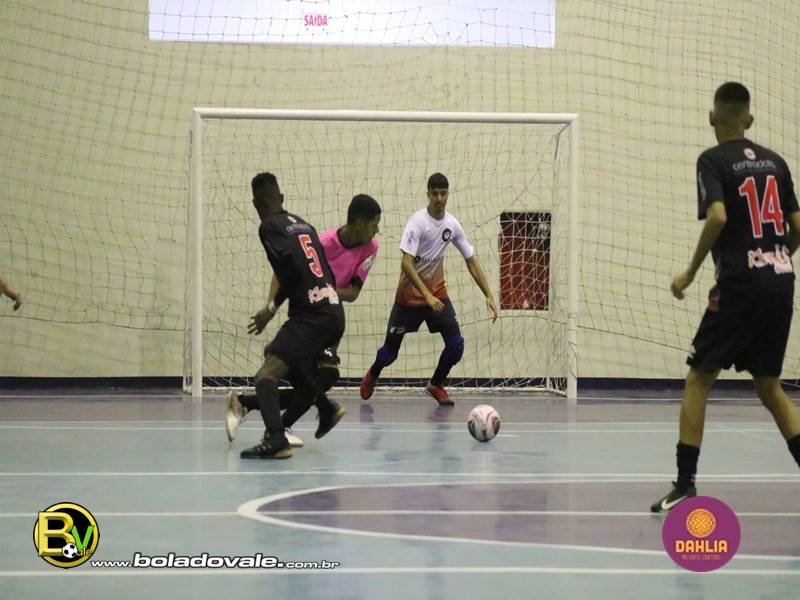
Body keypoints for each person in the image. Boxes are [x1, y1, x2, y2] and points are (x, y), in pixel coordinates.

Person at [651, 82, 800, 512]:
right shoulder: (776, 162)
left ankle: (684, 484)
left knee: (698, 378)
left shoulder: (712, 160)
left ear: (712, 117)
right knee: (769, 387)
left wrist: (690, 273)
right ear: (750, 119)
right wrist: (776, 259)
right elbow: (798, 227)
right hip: (781, 282)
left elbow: (717, 216)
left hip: (739, 285)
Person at [226, 194, 381, 446]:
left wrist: (326, 290)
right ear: (360, 223)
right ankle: (280, 424)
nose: (377, 231)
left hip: (328, 316)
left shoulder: (370, 247)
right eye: (375, 225)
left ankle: (254, 408)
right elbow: (283, 272)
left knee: (323, 376)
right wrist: (270, 307)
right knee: (304, 374)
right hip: (308, 314)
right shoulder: (323, 242)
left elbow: (353, 293)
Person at [360, 172, 498, 406]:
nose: (439, 198)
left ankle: (435, 384)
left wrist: (489, 294)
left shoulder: (452, 225)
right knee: (389, 354)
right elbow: (406, 263)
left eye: (443, 193)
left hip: (438, 295)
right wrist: (426, 294)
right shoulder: (417, 222)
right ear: (428, 194)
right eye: (435, 194)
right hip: (408, 299)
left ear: (448, 194)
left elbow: (471, 260)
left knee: (456, 345)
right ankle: (373, 373)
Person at [235, 171, 346, 460]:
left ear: (256, 204)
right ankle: (326, 408)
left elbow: (293, 271)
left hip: (311, 315)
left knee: (266, 375)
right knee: (277, 352)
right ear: (281, 197)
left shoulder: (269, 227)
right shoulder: (304, 225)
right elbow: (325, 270)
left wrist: (270, 310)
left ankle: (276, 439)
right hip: (333, 311)